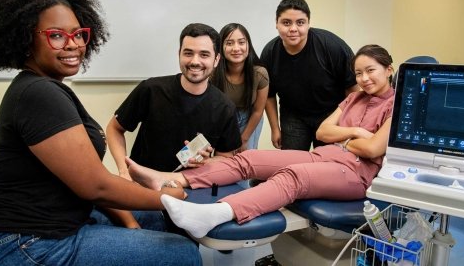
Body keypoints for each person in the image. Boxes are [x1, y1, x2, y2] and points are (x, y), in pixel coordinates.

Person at [0, 0, 200, 265]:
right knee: (181, 252)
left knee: (157, 221)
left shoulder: (48, 88)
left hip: (51, 225)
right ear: (25, 39)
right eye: (56, 35)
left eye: (79, 34)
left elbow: (88, 181)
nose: (73, 44)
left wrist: (132, 225)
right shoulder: (38, 93)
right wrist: (169, 196)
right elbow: (96, 186)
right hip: (19, 243)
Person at [126, 44, 395, 239]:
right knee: (250, 158)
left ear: (389, 70)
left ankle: (214, 214)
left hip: (358, 174)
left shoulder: (397, 105)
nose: (363, 79)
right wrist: (357, 134)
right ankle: (166, 178)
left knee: (293, 176)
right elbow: (323, 132)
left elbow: (373, 150)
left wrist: (345, 138)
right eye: (358, 74)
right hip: (325, 155)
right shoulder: (353, 98)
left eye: (370, 71)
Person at [106, 23, 241, 179]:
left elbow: (226, 157)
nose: (195, 61)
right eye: (188, 53)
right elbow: (114, 129)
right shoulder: (151, 89)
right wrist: (124, 171)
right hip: (141, 185)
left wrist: (206, 163)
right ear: (179, 54)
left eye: (204, 55)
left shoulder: (225, 107)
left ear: (216, 59)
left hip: (189, 189)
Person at [261, 0, 360, 151]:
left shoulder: (332, 46)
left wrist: (347, 126)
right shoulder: (269, 52)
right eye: (286, 22)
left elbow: (353, 89)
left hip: (331, 114)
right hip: (293, 115)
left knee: (327, 167)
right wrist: (275, 128)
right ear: (276, 23)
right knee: (292, 165)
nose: (293, 29)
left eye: (300, 22)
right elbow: (269, 95)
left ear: (308, 23)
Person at [211, 23, 269, 152]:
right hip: (223, 119)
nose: (236, 48)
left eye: (241, 42)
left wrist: (244, 139)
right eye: (230, 43)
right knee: (223, 161)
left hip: (250, 118)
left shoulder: (260, 74)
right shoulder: (212, 74)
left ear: (248, 45)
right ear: (221, 47)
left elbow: (258, 111)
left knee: (246, 161)